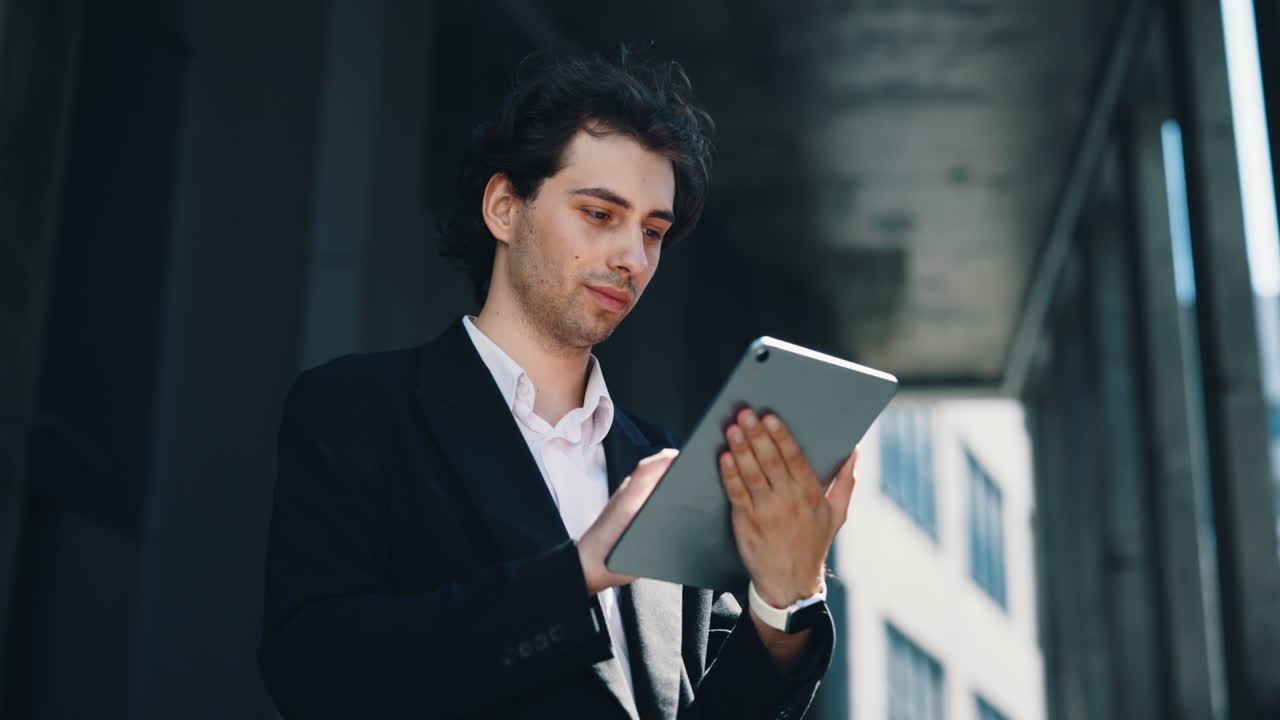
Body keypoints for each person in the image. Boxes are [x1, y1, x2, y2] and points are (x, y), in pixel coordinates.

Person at [259, 52, 861, 720]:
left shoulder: (664, 465)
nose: (632, 257)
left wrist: (785, 595)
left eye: (653, 231)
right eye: (600, 215)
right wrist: (576, 573)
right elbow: (315, 671)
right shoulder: (360, 411)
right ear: (503, 208)